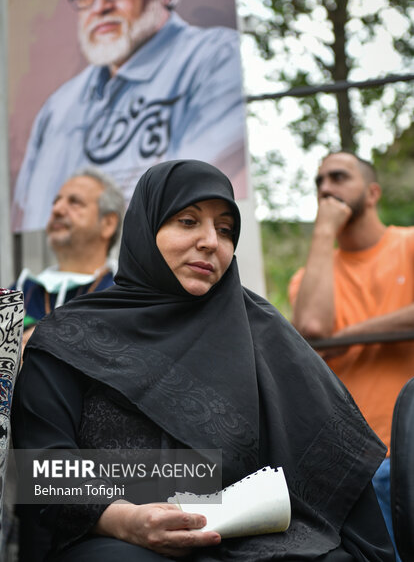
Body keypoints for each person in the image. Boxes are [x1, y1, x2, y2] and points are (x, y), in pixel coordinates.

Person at [12, 159, 395, 561]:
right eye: (188, 221)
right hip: (116, 537)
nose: (211, 241)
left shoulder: (261, 333)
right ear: (146, 229)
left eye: (225, 229)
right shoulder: (70, 337)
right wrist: (126, 519)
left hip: (256, 539)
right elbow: (45, 467)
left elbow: (333, 467)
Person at [11, 0, 246, 232]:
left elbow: (195, 193)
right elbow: (30, 216)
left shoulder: (215, 59)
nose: (100, 6)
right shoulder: (57, 109)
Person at [289, 150, 414, 558]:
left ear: (373, 192)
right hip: (354, 466)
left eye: (339, 177)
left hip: (410, 450)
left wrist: (353, 334)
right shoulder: (310, 277)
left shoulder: (409, 244)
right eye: (319, 182)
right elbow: (311, 327)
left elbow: (331, 337)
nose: (326, 189)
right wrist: (324, 234)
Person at [13, 168, 125, 351]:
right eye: (56, 201)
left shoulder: (124, 296)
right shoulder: (20, 291)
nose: (57, 210)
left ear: (108, 224)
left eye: (75, 202)